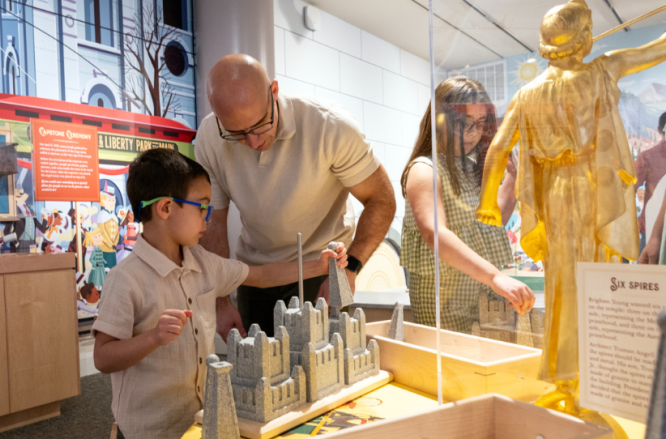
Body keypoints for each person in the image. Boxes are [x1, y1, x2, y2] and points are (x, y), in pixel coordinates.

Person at [476, 0, 666, 418]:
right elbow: (656, 50)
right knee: (592, 284)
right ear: (583, 40)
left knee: (564, 284)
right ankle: (584, 383)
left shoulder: (528, 93)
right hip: (591, 190)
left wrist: (489, 201)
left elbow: (497, 147)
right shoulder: (601, 70)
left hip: (556, 195)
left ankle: (569, 378)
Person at [92, 148, 348, 439]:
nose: (208, 218)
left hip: (203, 422)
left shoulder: (202, 262)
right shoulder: (125, 280)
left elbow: (260, 276)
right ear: (165, 208)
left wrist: (318, 266)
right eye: (201, 207)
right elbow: (102, 357)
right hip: (151, 430)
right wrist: (153, 338)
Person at [196, 54, 396, 338]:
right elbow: (212, 223)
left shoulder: (329, 126)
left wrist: (349, 269)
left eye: (261, 124)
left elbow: (382, 201)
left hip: (321, 274)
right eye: (237, 133)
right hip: (255, 278)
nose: (253, 142)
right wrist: (219, 300)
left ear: (274, 92)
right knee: (257, 373)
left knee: (325, 371)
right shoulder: (208, 137)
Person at [400, 77, 534, 334]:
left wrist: (514, 178)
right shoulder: (424, 170)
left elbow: (489, 225)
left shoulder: (470, 167)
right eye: (465, 124)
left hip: (480, 299)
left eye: (480, 124)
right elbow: (435, 234)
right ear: (442, 121)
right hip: (446, 304)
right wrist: (495, 277)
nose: (474, 133)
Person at [635, 111, 666, 254]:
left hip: (651, 229)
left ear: (659, 130)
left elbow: (628, 189)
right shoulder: (647, 157)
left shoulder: (647, 157)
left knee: (645, 275)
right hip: (651, 230)